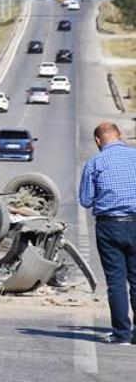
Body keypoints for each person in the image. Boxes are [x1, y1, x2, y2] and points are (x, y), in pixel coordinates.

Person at [79, 122, 136, 345]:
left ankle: (121, 334)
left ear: (97, 141)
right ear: (119, 136)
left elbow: (85, 200)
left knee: (116, 282)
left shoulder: (95, 162)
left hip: (109, 226)